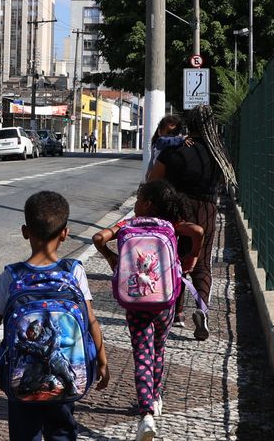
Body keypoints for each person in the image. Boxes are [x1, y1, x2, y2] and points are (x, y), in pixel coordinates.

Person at [0, 191, 110, 441]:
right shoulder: (74, 273)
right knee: (62, 429)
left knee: (25, 434)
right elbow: (91, 321)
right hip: (64, 365)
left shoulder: (11, 276)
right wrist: (101, 360)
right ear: (65, 233)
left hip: (21, 382)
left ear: (25, 231)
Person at [92, 180, 204, 441]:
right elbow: (198, 230)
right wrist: (192, 257)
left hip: (136, 303)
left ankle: (146, 415)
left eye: (139, 199)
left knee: (142, 353)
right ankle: (154, 396)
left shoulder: (127, 225)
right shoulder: (170, 225)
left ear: (148, 203)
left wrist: (111, 258)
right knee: (158, 349)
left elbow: (98, 238)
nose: (135, 204)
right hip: (165, 301)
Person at [146, 105, 236, 341]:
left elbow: (152, 180)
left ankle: (176, 313)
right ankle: (202, 308)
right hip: (207, 210)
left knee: (176, 260)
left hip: (176, 210)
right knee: (202, 262)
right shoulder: (218, 153)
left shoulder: (175, 151)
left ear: (189, 124)